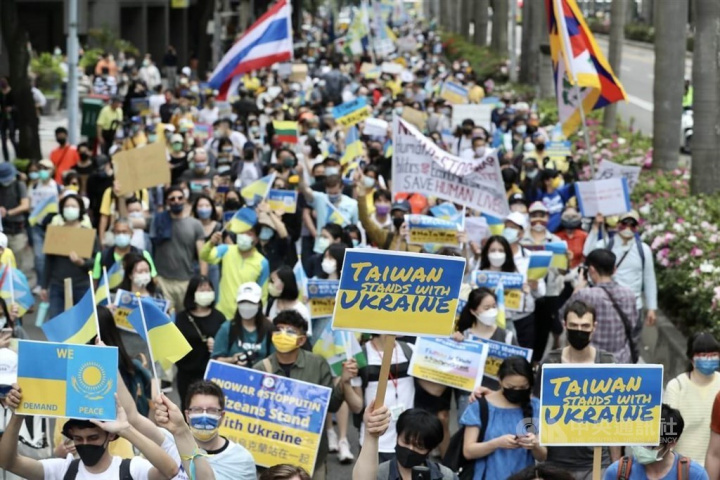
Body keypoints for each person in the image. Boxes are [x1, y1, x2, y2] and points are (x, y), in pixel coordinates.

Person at [0, 384, 179, 479]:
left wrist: (127, 429)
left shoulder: (131, 469)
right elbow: (8, 463)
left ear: (110, 435)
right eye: (78, 438)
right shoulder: (62, 470)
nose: (85, 444)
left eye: (93, 437)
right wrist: (17, 416)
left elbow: (170, 470)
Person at [253, 310, 353, 479]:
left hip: (312, 457)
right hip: (272, 461)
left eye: (290, 331)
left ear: (302, 339)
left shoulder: (317, 363)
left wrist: (344, 382)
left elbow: (332, 406)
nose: (283, 334)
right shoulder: (260, 369)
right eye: (279, 329)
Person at [534, 300, 620, 478]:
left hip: (597, 461)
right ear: (565, 325)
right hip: (556, 462)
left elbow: (616, 419)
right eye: (574, 325)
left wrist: (616, 466)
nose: (579, 330)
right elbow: (536, 409)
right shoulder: (550, 364)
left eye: (585, 326)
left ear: (594, 327)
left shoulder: (607, 364)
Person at [461, 356, 546, 479]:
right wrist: (496, 443)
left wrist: (535, 445)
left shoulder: (535, 406)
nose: (516, 391)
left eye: (523, 387)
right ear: (499, 380)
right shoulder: (480, 406)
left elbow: (542, 456)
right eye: (511, 387)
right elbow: (468, 451)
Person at [584, 211, 658, 348]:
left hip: (634, 307)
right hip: (606, 306)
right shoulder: (605, 245)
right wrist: (595, 227)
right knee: (604, 347)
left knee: (631, 346)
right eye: (625, 223)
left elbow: (649, 279)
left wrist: (652, 308)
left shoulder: (644, 250)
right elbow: (587, 254)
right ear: (618, 225)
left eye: (633, 225)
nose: (628, 228)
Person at [564, 249, 637, 363]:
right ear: (614, 270)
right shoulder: (629, 294)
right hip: (621, 361)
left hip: (593, 361)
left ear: (591, 269)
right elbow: (633, 325)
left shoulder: (584, 295)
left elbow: (563, 316)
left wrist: (578, 287)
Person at [605, 404, 708, 479]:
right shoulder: (617, 473)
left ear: (672, 442)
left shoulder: (694, 475)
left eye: (650, 444)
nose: (642, 447)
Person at [201, 207, 270, 319]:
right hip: (221, 313)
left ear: (256, 238)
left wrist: (258, 315)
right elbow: (205, 256)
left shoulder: (262, 262)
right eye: (242, 232)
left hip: (245, 316)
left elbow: (263, 293)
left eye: (249, 233)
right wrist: (210, 244)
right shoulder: (226, 250)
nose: (244, 235)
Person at [352, 407, 456, 480]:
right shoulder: (380, 473)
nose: (410, 448)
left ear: (430, 449)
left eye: (419, 446)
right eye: (406, 442)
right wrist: (371, 435)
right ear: (397, 436)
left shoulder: (446, 476)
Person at [664, 333, 720, 466]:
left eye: (713, 355)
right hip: (682, 468)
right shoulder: (677, 386)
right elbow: (667, 432)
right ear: (692, 359)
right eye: (703, 355)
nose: (709, 359)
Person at [479, 233, 543, 350]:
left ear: (507, 253)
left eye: (500, 250)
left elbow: (527, 304)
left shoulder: (515, 275)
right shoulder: (479, 276)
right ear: (486, 253)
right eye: (493, 250)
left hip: (511, 323)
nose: (496, 254)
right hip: (483, 325)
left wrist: (526, 292)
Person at [41, 194, 99, 319]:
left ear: (80, 209)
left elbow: (97, 261)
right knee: (58, 323)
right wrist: (44, 286)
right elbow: (48, 261)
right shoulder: (55, 233)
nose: (70, 208)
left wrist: (82, 263)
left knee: (82, 323)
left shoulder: (88, 234)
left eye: (73, 206)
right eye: (67, 206)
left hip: (81, 285)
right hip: (58, 285)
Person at [150, 186, 207, 310]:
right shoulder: (158, 222)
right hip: (163, 280)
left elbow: (202, 255)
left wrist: (203, 280)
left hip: (186, 281)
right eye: (172, 199)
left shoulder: (195, 224)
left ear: (185, 200)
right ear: (167, 202)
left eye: (180, 198)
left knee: (185, 318)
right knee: (165, 321)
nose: (176, 201)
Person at [521, 201, 564, 361]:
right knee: (526, 327)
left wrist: (565, 260)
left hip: (550, 292)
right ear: (529, 217)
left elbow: (561, 271)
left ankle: (536, 361)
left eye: (542, 215)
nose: (538, 219)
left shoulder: (556, 241)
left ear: (547, 217)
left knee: (543, 328)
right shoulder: (521, 238)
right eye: (534, 215)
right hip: (526, 290)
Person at [175, 275, 226, 411]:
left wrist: (217, 345)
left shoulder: (219, 317)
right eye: (202, 290)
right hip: (187, 373)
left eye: (209, 290)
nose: (206, 293)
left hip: (211, 373)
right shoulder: (181, 317)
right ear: (193, 293)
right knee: (189, 408)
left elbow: (226, 343)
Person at [298, 168, 358, 255]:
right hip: (322, 247)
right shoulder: (320, 198)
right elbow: (305, 190)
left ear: (342, 188)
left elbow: (354, 228)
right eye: (330, 193)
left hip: (342, 247)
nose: (332, 195)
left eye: (335, 193)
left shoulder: (352, 204)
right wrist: (300, 176)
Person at [212, 282, 275, 366]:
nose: (246, 306)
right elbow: (215, 360)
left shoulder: (269, 329)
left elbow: (275, 360)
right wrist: (232, 359)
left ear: (259, 304)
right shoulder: (227, 328)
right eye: (242, 302)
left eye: (251, 302)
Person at [0, 162, 30, 280]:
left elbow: (25, 205)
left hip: (16, 231)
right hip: (2, 232)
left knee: (17, 264)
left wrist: (8, 212)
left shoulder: (19, 185)